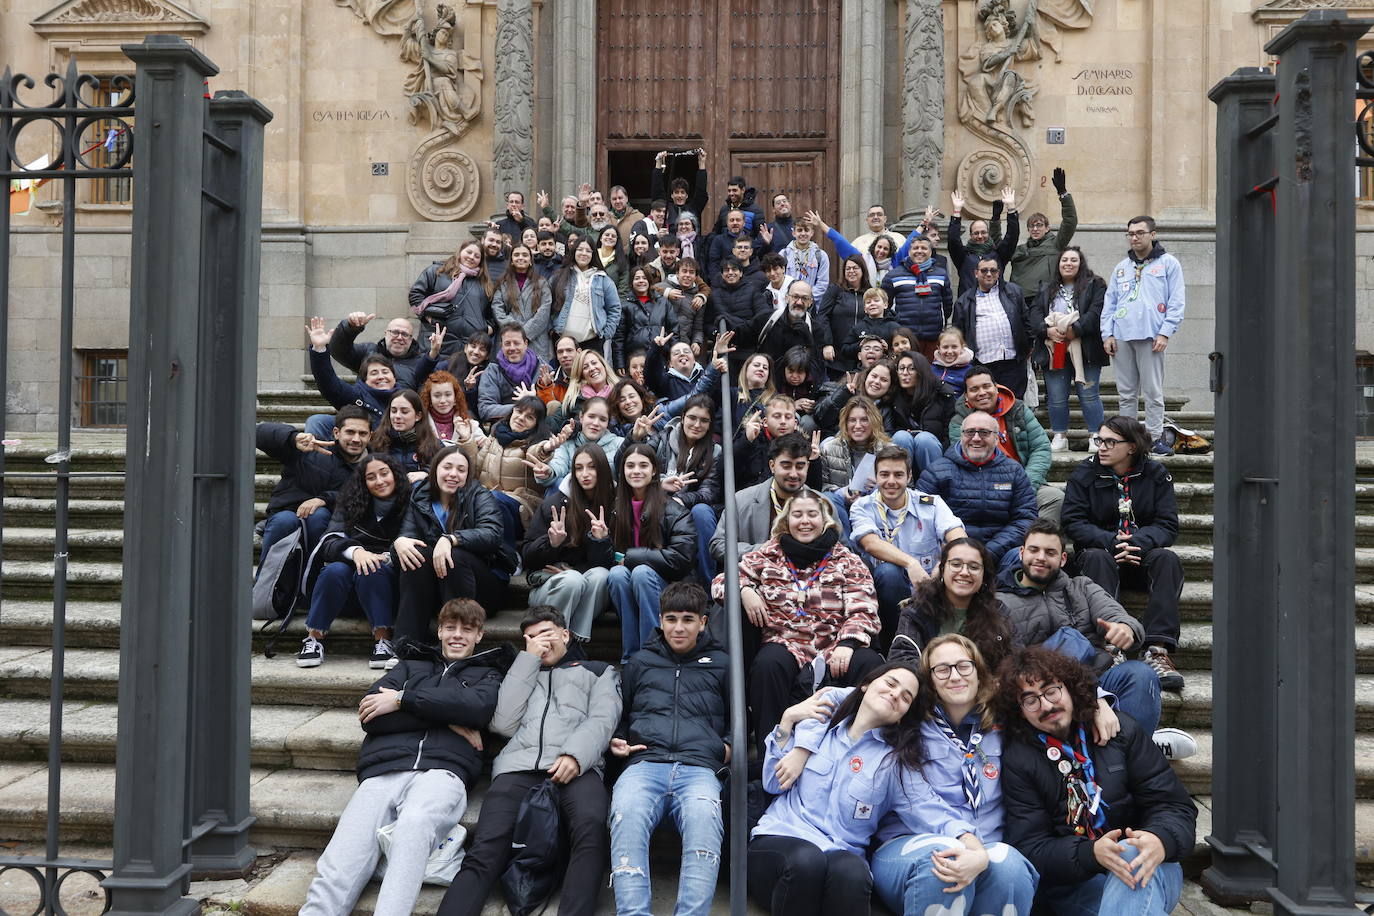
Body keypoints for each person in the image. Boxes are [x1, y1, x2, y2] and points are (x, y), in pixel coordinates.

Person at [299, 599, 512, 916]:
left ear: (479, 635)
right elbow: (371, 716)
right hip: (383, 771)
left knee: (415, 824)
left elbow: (476, 710)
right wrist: (449, 718)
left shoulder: (489, 675)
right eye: (450, 627)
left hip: (444, 772)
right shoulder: (410, 666)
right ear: (439, 631)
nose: (457, 635)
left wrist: (402, 700)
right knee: (343, 854)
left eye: (467, 629)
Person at [748, 661, 983, 916]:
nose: (895, 694)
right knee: (807, 861)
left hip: (840, 851)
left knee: (854, 874)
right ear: (866, 685)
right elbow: (772, 782)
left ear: (903, 714)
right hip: (783, 838)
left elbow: (930, 808)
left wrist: (974, 847)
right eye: (891, 684)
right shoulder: (820, 723)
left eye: (906, 697)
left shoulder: (895, 763)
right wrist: (787, 720)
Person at [437, 607, 620, 916]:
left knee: (590, 831)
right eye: (532, 638)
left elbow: (604, 719)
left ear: (565, 634)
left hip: (578, 767)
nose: (540, 642)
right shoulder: (520, 671)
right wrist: (528, 660)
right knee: (486, 848)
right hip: (516, 769)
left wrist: (575, 754)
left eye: (547, 634)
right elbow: (503, 723)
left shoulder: (599, 670)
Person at [994, 647, 1196, 915]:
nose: (1045, 705)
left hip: (1149, 864)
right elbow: (1030, 847)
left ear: (1069, 688)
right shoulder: (1019, 759)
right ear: (1019, 710)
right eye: (1030, 700)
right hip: (1076, 885)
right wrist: (1091, 853)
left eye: (1051, 690)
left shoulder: (1121, 731)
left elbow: (1174, 806)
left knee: (1130, 856)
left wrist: (1159, 839)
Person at [867, 635, 1040, 916]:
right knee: (944, 860)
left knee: (1010, 866)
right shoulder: (909, 723)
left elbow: (1049, 694)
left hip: (986, 848)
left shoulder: (1003, 721)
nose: (955, 676)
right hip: (911, 845)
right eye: (942, 670)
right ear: (930, 680)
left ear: (979, 671)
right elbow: (864, 697)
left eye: (963, 666)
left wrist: (1101, 703)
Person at [1000, 519, 1198, 757]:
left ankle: (1131, 754)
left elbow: (1121, 618)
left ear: (1062, 559)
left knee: (1140, 674)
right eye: (1034, 550)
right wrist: (1093, 698)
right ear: (1022, 553)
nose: (1041, 557)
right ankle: (1139, 750)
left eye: (1050, 552)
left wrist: (1124, 628)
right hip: (1043, 692)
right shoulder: (1001, 602)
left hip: (1097, 678)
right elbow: (1014, 668)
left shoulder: (1081, 587)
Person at [715, 489, 884, 751]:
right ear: (786, 521)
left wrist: (848, 643)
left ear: (825, 520)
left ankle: (857, 751)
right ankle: (769, 754)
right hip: (785, 642)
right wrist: (744, 590)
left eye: (812, 514)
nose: (804, 521)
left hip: (834, 643)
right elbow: (721, 582)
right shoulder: (767, 554)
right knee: (767, 665)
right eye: (797, 515)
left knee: (869, 662)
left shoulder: (847, 560)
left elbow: (864, 607)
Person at [608, 582, 730, 916]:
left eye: (688, 619)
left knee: (704, 819)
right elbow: (622, 711)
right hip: (645, 762)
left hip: (699, 767)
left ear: (703, 622)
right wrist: (617, 738)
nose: (679, 627)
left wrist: (728, 746)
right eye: (671, 619)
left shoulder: (721, 663)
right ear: (660, 620)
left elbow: (739, 718)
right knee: (626, 814)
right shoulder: (639, 662)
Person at [1062, 417, 1186, 692]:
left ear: (1131, 447)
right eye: (1099, 440)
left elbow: (1167, 523)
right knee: (1096, 557)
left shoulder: (1156, 475)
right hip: (1100, 558)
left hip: (1141, 556)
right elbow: (1072, 521)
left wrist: (1139, 543)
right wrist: (1111, 542)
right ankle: (1111, 646)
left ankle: (1157, 649)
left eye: (1109, 442)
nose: (1101, 447)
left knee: (1168, 560)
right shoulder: (1084, 474)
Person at [392, 446, 516, 644]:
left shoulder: (479, 495)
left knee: (455, 556)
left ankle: (457, 642)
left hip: (483, 587)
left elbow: (492, 534)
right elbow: (407, 536)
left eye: (461, 470)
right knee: (414, 554)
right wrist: (399, 543)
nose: (453, 474)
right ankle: (407, 645)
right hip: (437, 586)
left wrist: (451, 539)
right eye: (447, 467)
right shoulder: (419, 497)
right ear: (435, 470)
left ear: (468, 475)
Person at [850, 445, 967, 647]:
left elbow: (958, 537)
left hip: (928, 587)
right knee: (889, 572)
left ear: (909, 476)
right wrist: (910, 563)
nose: (891, 481)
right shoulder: (862, 506)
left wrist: (943, 564)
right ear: (876, 476)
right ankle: (893, 642)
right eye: (884, 474)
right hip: (886, 595)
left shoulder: (931, 504)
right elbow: (870, 543)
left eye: (898, 474)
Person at [1101, 216, 1186, 455]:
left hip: (1151, 337)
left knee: (1152, 392)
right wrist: (1107, 334)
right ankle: (1128, 439)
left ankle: (1154, 437)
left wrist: (1165, 332)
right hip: (1122, 336)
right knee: (1126, 394)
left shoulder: (1168, 264)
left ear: (1153, 234)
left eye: (1139, 232)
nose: (1134, 237)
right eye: (1130, 233)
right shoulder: (1121, 267)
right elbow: (1110, 304)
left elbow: (1176, 302)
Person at [255, 407, 371, 579]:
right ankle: (267, 592)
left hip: (327, 525)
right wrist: (292, 438)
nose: (356, 439)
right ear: (336, 432)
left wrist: (323, 499)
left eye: (362, 433)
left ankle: (309, 588)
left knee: (319, 515)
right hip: (287, 514)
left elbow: (366, 497)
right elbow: (257, 433)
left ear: (370, 436)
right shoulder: (311, 448)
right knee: (284, 521)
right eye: (350, 432)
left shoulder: (373, 466)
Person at [608, 443, 697, 661]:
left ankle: (653, 653)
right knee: (616, 575)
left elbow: (682, 558)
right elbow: (611, 558)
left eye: (643, 465)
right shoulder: (617, 507)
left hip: (669, 584)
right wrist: (598, 541)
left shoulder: (674, 509)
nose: (636, 471)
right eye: (630, 466)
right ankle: (630, 657)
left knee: (641, 572)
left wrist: (631, 557)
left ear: (654, 470)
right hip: (631, 584)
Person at [919, 410, 1037, 573]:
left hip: (999, 554)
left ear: (996, 439)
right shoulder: (936, 471)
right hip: (951, 553)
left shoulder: (1014, 471)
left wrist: (988, 553)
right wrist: (957, 552)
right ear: (961, 436)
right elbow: (922, 519)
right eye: (970, 432)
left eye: (984, 432)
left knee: (1023, 558)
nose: (976, 438)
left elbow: (1025, 519)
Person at [520, 443, 616, 640]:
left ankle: (574, 639)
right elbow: (527, 557)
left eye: (592, 467)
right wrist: (551, 543)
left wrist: (601, 541)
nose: (585, 474)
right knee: (572, 581)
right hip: (551, 586)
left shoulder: (616, 503)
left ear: (603, 470)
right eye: (579, 468)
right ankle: (552, 640)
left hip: (587, 587)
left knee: (601, 575)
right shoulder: (555, 504)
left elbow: (614, 559)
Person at [950, 365, 1061, 520]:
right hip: (984, 487)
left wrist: (1025, 485)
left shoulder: (1019, 410)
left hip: (1024, 480)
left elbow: (1040, 448)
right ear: (966, 396)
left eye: (986, 386)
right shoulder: (959, 422)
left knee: (1054, 498)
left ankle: (1034, 541)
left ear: (996, 388)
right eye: (974, 389)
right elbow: (964, 459)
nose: (982, 393)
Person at [890, 538, 1015, 672]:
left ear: (984, 576)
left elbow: (1013, 662)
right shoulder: (917, 610)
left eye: (974, 567)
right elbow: (902, 660)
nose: (964, 572)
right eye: (956, 564)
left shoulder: (999, 612)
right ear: (942, 569)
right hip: (928, 688)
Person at [1030, 246, 1107, 451]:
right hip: (1055, 348)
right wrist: (1047, 331)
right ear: (1059, 264)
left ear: (1080, 263)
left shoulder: (1095, 284)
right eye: (1065, 260)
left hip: (1087, 349)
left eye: (1074, 260)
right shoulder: (1046, 287)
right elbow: (1035, 314)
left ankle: (1096, 435)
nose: (1068, 264)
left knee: (1089, 393)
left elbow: (1096, 312)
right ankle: (1060, 435)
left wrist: (1076, 329)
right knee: (1056, 395)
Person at [649, 394, 723, 583]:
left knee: (703, 512)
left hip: (688, 508)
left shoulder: (714, 451)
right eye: (692, 418)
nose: (697, 425)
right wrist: (662, 487)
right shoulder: (663, 437)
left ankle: (708, 586)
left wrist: (682, 499)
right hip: (658, 502)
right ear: (682, 417)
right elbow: (635, 470)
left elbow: (709, 492)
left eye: (704, 420)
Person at [452, 394, 548, 535]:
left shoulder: (536, 443)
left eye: (530, 417)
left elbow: (539, 451)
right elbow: (474, 471)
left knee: (494, 500)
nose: (521, 418)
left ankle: (508, 553)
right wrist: (467, 439)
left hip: (521, 504)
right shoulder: (495, 437)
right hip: (486, 498)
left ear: (536, 424)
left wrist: (546, 449)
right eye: (519, 411)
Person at [305, 317, 417, 435]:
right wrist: (319, 349)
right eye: (374, 373)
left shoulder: (404, 399)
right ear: (365, 379)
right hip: (359, 447)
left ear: (394, 378)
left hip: (394, 449)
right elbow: (328, 383)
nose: (381, 377)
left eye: (385, 372)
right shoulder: (357, 396)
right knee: (317, 421)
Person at [952, 255, 1031, 399]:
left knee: (1013, 403)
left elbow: (1026, 322)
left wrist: (1028, 347)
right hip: (983, 365)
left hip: (1013, 363)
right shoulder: (964, 301)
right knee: (987, 405)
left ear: (999, 273)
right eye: (984, 271)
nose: (989, 274)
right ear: (976, 273)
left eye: (993, 270)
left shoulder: (1013, 292)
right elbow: (958, 334)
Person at [994, 167, 1077, 300]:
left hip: (1045, 298)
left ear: (1047, 228)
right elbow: (999, 247)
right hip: (1020, 299)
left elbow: (1070, 222)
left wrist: (1063, 194)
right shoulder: (1020, 249)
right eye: (1031, 226)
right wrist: (995, 219)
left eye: (1039, 225)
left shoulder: (1056, 244)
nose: (1035, 229)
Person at [409, 239, 493, 362]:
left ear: (481, 261)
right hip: (438, 340)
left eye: (477, 256)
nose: (471, 257)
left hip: (468, 345)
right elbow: (416, 294)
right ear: (460, 252)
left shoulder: (484, 283)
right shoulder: (437, 271)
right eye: (468, 252)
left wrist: (486, 328)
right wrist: (427, 317)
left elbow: (491, 313)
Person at [526, 394, 624, 486]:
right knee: (558, 484)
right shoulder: (568, 442)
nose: (596, 423)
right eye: (591, 416)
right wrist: (549, 472)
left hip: (606, 498)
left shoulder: (619, 443)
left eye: (602, 419)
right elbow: (559, 464)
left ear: (608, 423)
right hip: (573, 498)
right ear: (581, 417)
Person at [882, 235, 953, 361]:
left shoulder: (941, 274)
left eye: (924, 248)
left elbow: (947, 305)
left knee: (930, 375)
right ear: (909, 251)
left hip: (933, 337)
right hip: (905, 339)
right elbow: (884, 306)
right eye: (915, 248)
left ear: (930, 252)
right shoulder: (893, 275)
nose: (919, 251)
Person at [551, 236, 623, 353]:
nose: (584, 253)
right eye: (580, 249)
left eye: (588, 251)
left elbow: (615, 308)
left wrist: (606, 334)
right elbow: (549, 303)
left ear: (593, 254)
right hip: (563, 343)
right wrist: (551, 328)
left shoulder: (603, 279)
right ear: (574, 251)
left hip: (592, 343)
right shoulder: (559, 276)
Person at [328, 313, 433, 391]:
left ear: (411, 339)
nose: (400, 338)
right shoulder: (369, 351)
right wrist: (349, 328)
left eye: (405, 334)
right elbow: (339, 352)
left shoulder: (422, 363)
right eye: (395, 332)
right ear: (386, 333)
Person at [947, 187, 1019, 297]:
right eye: (976, 233)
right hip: (970, 306)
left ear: (988, 233)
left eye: (983, 232)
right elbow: (953, 240)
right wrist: (957, 212)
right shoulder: (964, 256)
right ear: (971, 236)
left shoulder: (998, 254)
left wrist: (1011, 209)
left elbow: (1012, 237)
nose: (980, 236)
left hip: (996, 305)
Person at [490, 244, 553, 364]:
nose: (521, 258)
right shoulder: (502, 283)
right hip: (509, 339)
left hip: (536, 339)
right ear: (511, 260)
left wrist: (526, 333)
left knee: (537, 376)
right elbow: (497, 308)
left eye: (525, 255)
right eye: (516, 255)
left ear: (530, 260)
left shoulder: (541, 282)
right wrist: (515, 333)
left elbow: (545, 310)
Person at [477, 323, 546, 424]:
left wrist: (538, 397)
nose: (512, 348)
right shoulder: (493, 371)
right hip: (504, 426)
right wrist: (521, 408)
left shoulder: (542, 369)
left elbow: (552, 406)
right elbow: (485, 409)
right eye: (507, 343)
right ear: (501, 346)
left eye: (516, 343)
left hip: (536, 426)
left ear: (525, 343)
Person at [369, 389, 441, 482]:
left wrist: (426, 473)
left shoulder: (433, 444)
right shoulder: (377, 441)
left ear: (418, 416)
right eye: (394, 411)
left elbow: (445, 469)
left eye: (404, 412)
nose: (397, 416)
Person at [816, 254, 871, 377]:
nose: (851, 271)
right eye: (848, 268)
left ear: (863, 270)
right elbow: (822, 316)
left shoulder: (869, 293)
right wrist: (827, 344)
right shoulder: (835, 290)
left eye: (855, 268)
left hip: (862, 356)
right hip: (837, 355)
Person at [892, 352, 956, 453]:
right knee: (901, 436)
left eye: (911, 368)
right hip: (905, 455)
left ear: (922, 371)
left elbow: (950, 434)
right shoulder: (893, 397)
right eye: (901, 368)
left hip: (936, 455)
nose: (905, 373)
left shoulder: (942, 394)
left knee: (923, 439)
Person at [614, 265, 673, 374]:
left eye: (644, 278)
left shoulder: (663, 302)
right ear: (631, 282)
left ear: (649, 281)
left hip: (661, 355)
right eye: (637, 278)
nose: (641, 281)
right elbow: (619, 337)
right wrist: (619, 362)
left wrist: (673, 356)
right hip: (635, 357)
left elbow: (674, 330)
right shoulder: (625, 306)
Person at [651, 148, 709, 229]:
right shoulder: (666, 208)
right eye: (676, 192)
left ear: (687, 196)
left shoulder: (693, 208)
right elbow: (657, 190)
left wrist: (702, 164)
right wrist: (658, 164)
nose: (679, 195)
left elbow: (701, 191)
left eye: (682, 192)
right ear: (671, 195)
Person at [779, 218, 830, 300]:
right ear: (793, 233)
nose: (803, 233)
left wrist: (805, 298)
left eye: (806, 230)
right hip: (788, 302)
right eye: (799, 230)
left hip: (811, 304)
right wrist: (792, 297)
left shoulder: (821, 256)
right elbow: (779, 281)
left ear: (812, 233)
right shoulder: (783, 254)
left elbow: (822, 284)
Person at [419, 370, 470, 446]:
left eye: (448, 395)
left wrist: (467, 439)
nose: (443, 401)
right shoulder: (420, 423)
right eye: (437, 396)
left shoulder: (469, 423)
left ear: (455, 398)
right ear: (429, 398)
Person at [595, 223, 633, 299]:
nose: (610, 237)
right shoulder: (592, 255)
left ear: (617, 240)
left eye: (613, 236)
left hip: (611, 303)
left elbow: (623, 289)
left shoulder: (622, 260)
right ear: (600, 238)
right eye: (607, 235)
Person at [933, 326, 975, 393]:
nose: (949, 351)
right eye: (945, 347)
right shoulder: (932, 368)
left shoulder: (969, 371)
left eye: (954, 347)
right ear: (939, 348)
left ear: (962, 347)